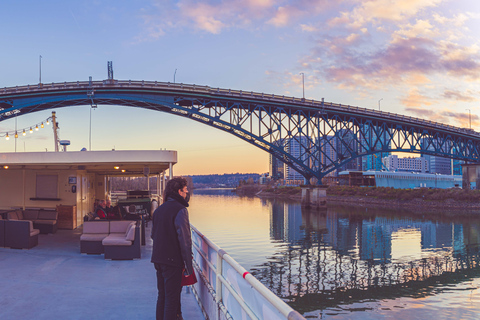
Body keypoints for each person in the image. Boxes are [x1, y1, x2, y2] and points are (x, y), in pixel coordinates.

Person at [151, 177, 193, 320]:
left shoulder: (158, 210)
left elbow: (152, 235)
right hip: (172, 262)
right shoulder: (180, 210)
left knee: (162, 296)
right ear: (179, 191)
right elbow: (185, 241)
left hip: (158, 259)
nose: (187, 193)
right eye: (186, 190)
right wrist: (188, 266)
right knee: (172, 299)